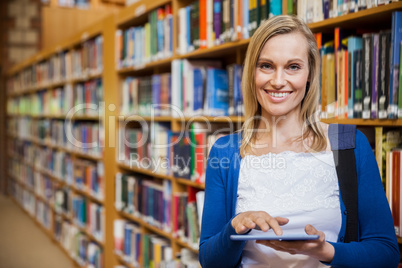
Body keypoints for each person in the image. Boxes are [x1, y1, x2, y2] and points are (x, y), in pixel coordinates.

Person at [198, 15, 399, 268]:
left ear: (309, 74)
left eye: (293, 66)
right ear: (252, 73)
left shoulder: (349, 144)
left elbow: (387, 253)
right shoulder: (224, 151)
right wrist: (234, 228)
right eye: (266, 66)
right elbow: (209, 261)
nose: (278, 80)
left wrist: (326, 251)